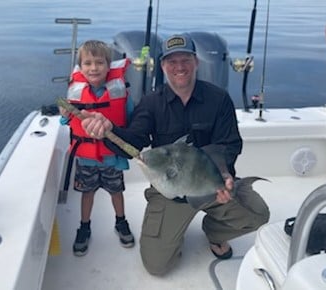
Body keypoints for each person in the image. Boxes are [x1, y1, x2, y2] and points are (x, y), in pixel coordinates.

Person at [80, 34, 270, 274]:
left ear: (196, 62)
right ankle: (173, 232)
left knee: (258, 215)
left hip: (210, 185)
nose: (179, 67)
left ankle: (214, 231)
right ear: (162, 66)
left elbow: (229, 144)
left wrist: (224, 175)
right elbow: (134, 143)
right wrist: (109, 131)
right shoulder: (151, 103)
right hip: (169, 191)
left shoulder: (218, 98)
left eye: (185, 60)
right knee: (157, 266)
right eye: (172, 61)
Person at [59, 40, 135, 256]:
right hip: (86, 159)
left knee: (116, 192)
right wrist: (64, 116)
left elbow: (131, 118)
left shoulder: (121, 92)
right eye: (88, 63)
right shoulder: (74, 94)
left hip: (112, 158)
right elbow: (64, 123)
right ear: (81, 67)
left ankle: (121, 222)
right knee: (87, 193)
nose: (94, 68)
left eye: (99, 62)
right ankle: (85, 226)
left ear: (108, 65)